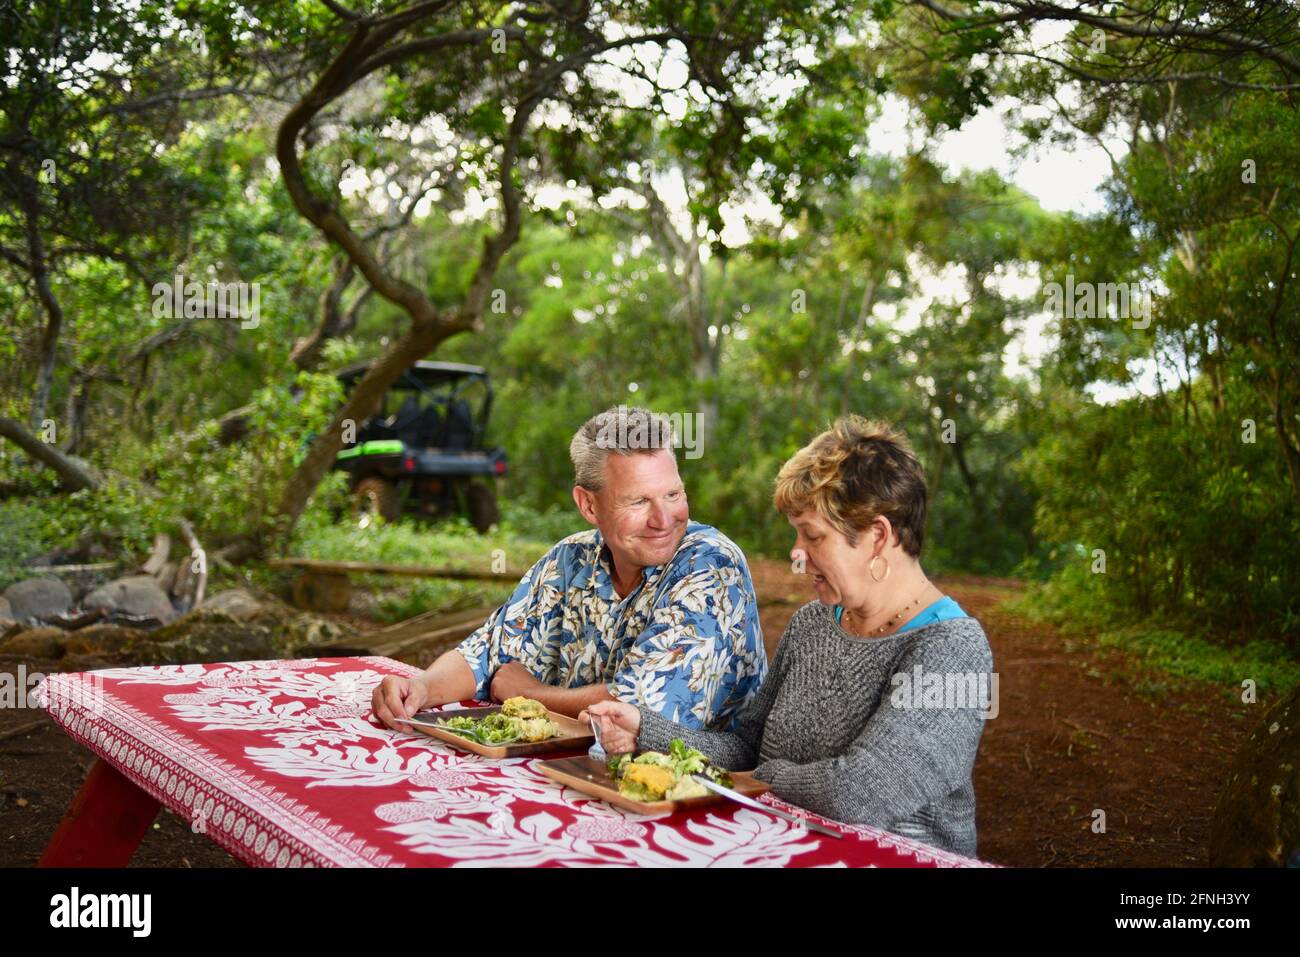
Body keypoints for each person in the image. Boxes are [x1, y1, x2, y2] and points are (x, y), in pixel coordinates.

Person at [584, 416, 994, 856]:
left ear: (878, 536)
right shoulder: (811, 624)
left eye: (812, 535)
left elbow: (858, 794)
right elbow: (745, 748)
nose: (795, 553)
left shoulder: (953, 651)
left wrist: (762, 777)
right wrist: (646, 728)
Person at [371, 405, 767, 732]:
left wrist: (527, 694)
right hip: (581, 774)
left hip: (700, 794)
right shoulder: (571, 559)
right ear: (588, 505)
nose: (664, 519)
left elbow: (641, 711)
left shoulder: (711, 564)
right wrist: (419, 688)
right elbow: (487, 654)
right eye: (638, 502)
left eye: (673, 494)